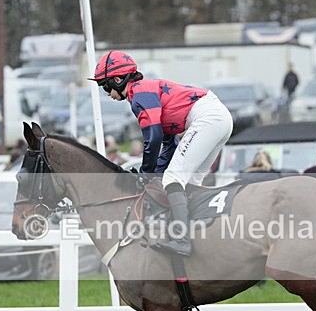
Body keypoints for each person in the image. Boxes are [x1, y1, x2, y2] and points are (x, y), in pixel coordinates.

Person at [89, 50, 233, 256]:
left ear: (119, 79)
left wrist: (145, 173)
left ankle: (182, 240)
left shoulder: (139, 94)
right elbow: (169, 143)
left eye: (105, 86)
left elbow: (153, 137)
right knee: (190, 182)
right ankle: (200, 236)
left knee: (173, 179)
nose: (107, 93)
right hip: (218, 118)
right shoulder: (145, 91)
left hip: (208, 118)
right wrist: (152, 174)